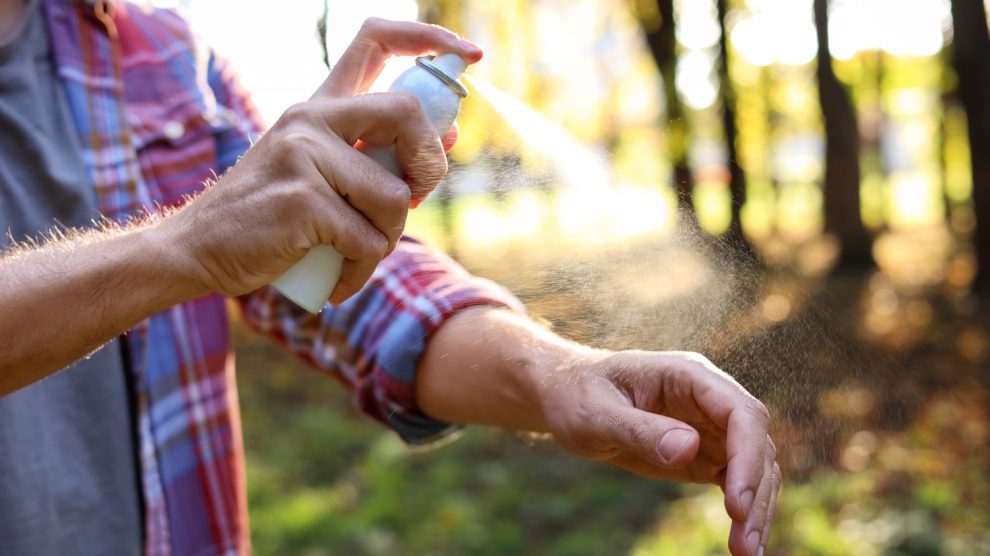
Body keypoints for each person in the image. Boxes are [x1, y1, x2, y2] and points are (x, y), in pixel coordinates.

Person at [0, 0, 780, 555]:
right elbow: (211, 238)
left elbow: (342, 284)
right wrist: (181, 248)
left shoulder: (162, 59)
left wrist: (559, 374)